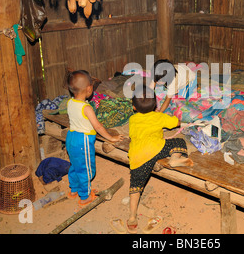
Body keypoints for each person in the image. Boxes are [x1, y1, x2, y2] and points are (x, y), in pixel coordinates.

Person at [127, 85, 193, 233]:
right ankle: (174, 159)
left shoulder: (132, 119)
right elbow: (175, 123)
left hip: (138, 157)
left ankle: (132, 217)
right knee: (179, 142)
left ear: (134, 107)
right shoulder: (158, 116)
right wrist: (177, 119)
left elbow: (133, 134)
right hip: (157, 148)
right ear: (156, 104)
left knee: (135, 187)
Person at [65, 70, 123, 207]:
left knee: (75, 165)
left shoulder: (70, 103)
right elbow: (98, 127)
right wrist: (111, 138)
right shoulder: (86, 108)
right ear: (89, 88)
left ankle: (73, 190)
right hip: (82, 141)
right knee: (86, 169)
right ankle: (84, 196)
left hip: (71, 138)